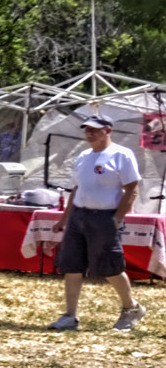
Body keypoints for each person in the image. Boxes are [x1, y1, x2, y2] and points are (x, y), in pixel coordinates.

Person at [49, 114, 145, 332]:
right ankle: (70, 316)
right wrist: (65, 218)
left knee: (110, 267)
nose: (89, 133)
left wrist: (118, 218)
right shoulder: (83, 156)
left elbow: (132, 188)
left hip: (105, 217)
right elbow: (77, 189)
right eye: (87, 130)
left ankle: (131, 308)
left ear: (108, 130)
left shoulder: (122, 154)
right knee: (72, 266)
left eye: (94, 129)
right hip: (79, 217)